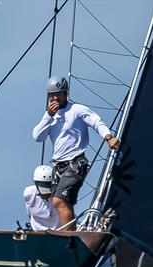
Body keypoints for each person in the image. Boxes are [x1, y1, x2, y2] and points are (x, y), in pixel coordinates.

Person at [32, 75, 120, 230]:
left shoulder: (77, 110)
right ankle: (73, 236)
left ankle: (68, 237)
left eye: (57, 94)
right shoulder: (50, 116)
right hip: (58, 167)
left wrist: (109, 137)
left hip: (75, 163)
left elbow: (96, 121)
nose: (54, 98)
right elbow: (37, 137)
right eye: (51, 95)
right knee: (62, 202)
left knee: (59, 201)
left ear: (65, 93)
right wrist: (48, 116)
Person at [23, 165, 59, 230]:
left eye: (49, 190)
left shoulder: (60, 195)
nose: (46, 194)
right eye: (43, 190)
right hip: (38, 234)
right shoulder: (29, 193)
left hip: (60, 233)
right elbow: (29, 214)